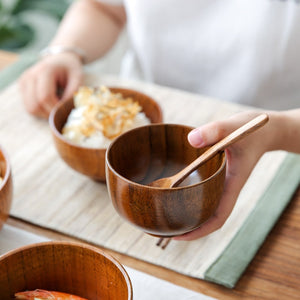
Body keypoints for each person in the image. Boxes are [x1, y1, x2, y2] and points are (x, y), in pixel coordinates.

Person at [19, 0, 300, 240]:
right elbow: (104, 7)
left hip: (276, 141)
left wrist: (280, 129)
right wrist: (66, 51)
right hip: (149, 119)